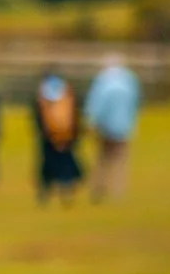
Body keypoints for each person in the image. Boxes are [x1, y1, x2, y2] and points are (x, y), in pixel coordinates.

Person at [84, 57, 141, 203]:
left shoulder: (103, 82)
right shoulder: (129, 81)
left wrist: (91, 123)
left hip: (105, 127)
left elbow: (95, 104)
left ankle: (99, 188)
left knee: (102, 159)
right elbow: (135, 104)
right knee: (120, 160)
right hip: (124, 127)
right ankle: (118, 191)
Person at [33, 72, 84, 206]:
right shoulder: (66, 97)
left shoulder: (44, 99)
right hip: (63, 140)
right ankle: (60, 193)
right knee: (60, 168)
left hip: (56, 140)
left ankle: (50, 194)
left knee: (54, 168)